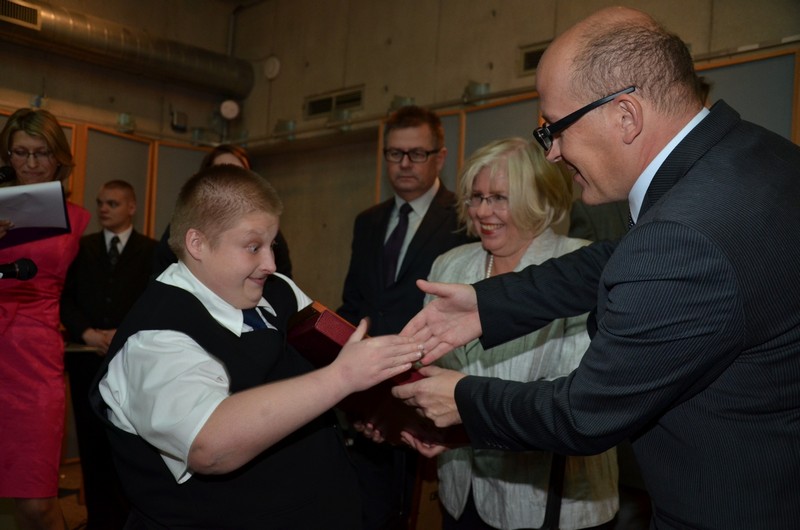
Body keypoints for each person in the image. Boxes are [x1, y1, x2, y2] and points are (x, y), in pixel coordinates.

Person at [393, 6, 800, 529]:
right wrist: (486, 303)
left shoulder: (684, 232)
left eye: (555, 129)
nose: (553, 153)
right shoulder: (754, 157)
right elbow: (625, 258)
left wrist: (462, 399)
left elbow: (584, 413)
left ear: (625, 116)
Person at [89, 164, 424, 529]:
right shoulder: (154, 337)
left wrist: (374, 408)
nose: (270, 264)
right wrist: (341, 378)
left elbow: (330, 359)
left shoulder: (278, 290)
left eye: (271, 245)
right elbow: (209, 446)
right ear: (197, 243)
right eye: (253, 247)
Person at [412, 137, 618, 530]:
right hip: (462, 493)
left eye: (499, 198)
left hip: (551, 502)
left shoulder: (580, 267)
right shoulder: (448, 266)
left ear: (539, 200)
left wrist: (462, 418)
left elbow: (576, 401)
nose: (482, 211)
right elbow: (430, 365)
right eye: (476, 197)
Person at [338, 105, 473, 529]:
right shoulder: (367, 222)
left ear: (440, 157)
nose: (405, 164)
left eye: (417, 153)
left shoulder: (465, 218)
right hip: (368, 392)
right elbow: (355, 304)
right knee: (371, 511)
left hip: (428, 388)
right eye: (395, 154)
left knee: (420, 515)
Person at [0, 108, 91, 530]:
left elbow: (79, 293)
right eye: (21, 152)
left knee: (36, 503)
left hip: (36, 359)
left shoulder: (76, 218)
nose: (32, 163)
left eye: (42, 153)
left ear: (59, 158)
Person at [60, 179, 157, 529]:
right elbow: (63, 298)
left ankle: (131, 520)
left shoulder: (151, 251)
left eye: (112, 203)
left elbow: (154, 301)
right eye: (100, 202)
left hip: (130, 361)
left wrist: (123, 333)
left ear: (132, 207)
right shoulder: (81, 248)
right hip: (85, 359)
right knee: (91, 445)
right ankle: (98, 521)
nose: (103, 209)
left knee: (130, 445)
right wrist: (86, 332)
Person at [152, 143, 293, 277]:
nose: (231, 180)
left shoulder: (268, 231)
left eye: (239, 173)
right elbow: (161, 273)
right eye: (222, 172)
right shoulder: (182, 225)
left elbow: (281, 279)